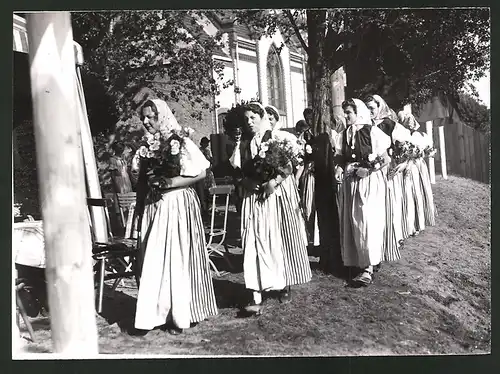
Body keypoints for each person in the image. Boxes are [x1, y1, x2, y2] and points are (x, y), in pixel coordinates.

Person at [132, 99, 217, 335]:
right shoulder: (146, 147)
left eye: (151, 117)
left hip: (177, 202)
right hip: (155, 205)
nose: (146, 122)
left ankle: (179, 314)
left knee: (175, 256)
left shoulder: (179, 141)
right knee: (155, 257)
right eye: (144, 118)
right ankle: (155, 314)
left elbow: (200, 172)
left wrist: (170, 182)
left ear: (163, 116)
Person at [334, 99, 391, 286]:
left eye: (349, 112)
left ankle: (368, 267)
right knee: (353, 221)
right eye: (345, 112)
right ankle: (357, 261)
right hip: (351, 183)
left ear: (358, 112)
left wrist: (368, 169)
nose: (346, 116)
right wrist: (340, 168)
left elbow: (384, 158)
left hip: (368, 183)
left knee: (366, 220)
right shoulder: (345, 134)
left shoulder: (371, 132)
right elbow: (341, 157)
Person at [265, 105, 312, 302]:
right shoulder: (259, 139)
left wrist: (291, 180)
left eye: (271, 117)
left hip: (283, 187)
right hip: (266, 189)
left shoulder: (285, 137)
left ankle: (287, 283)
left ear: (277, 119)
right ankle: (270, 277)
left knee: (285, 231)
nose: (268, 120)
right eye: (265, 117)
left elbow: (295, 163)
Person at [365, 94, 409, 261]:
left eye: (372, 108)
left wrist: (401, 163)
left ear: (380, 107)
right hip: (371, 170)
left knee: (391, 202)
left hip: (387, 168)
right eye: (367, 108)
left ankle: (394, 237)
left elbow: (404, 145)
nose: (370, 112)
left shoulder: (389, 124)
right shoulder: (365, 125)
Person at [312, 113, 345, 275]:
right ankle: (328, 257)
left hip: (336, 181)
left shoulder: (341, 137)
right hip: (325, 181)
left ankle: (338, 256)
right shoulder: (322, 139)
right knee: (327, 220)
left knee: (337, 219)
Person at [398, 111, 436, 229]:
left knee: (418, 192)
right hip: (405, 165)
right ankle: (409, 224)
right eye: (406, 122)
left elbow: (429, 151)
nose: (409, 125)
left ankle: (419, 221)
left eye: (410, 122)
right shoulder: (401, 135)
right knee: (407, 193)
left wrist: (421, 153)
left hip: (417, 166)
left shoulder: (420, 136)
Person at [199, 136, 216, 212]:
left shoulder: (208, 150)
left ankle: (211, 206)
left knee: (211, 189)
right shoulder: (200, 151)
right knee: (204, 190)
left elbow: (211, 160)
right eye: (205, 143)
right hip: (203, 172)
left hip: (209, 172)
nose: (207, 144)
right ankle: (204, 207)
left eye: (207, 143)